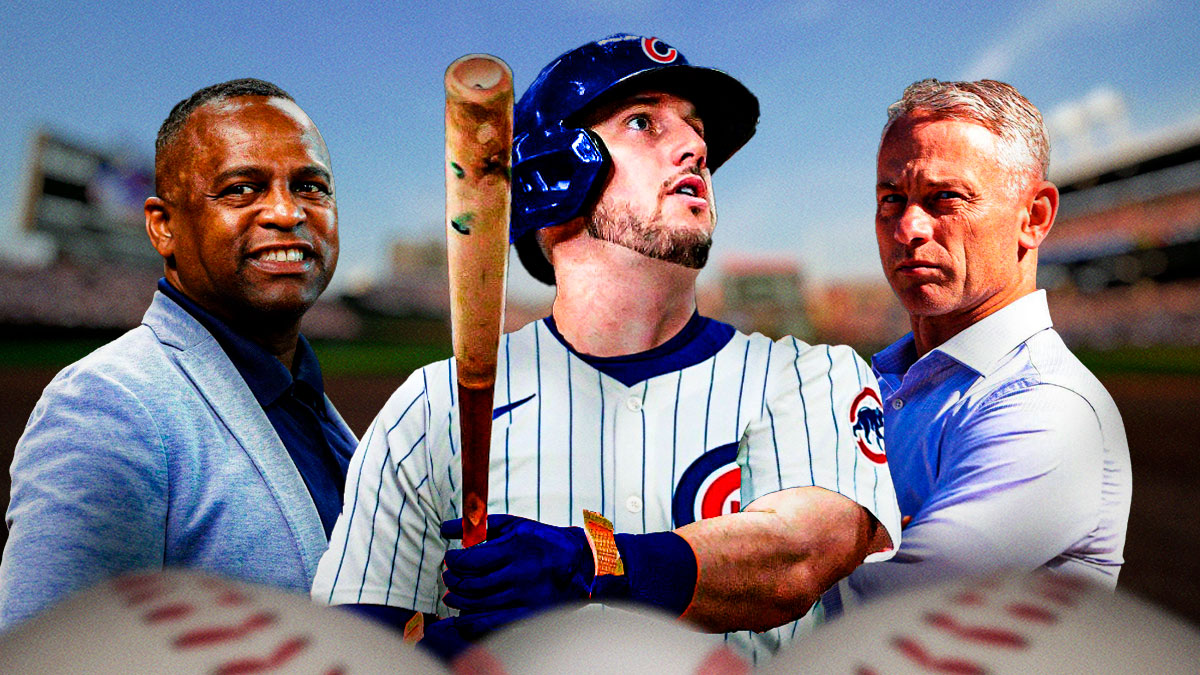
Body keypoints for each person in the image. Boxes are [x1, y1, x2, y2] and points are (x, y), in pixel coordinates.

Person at [312, 34, 901, 663]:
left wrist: (589, 564)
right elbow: (348, 649)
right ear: (554, 175)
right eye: (644, 122)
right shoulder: (432, 406)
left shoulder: (809, 373)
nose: (697, 148)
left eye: (697, 131)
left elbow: (801, 554)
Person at [0, 79, 357, 630]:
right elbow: (51, 655)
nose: (287, 212)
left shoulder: (304, 397)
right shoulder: (107, 405)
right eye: (242, 189)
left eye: (311, 186)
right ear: (163, 226)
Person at [829, 79, 1132, 611]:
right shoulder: (864, 385)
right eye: (890, 200)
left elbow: (875, 614)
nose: (908, 228)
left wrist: (802, 541)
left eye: (945, 197)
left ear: (1033, 217)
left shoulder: (1050, 407)